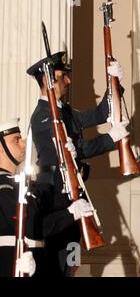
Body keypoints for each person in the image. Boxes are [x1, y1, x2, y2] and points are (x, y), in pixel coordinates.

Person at [27, 52, 130, 277]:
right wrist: (109, 139)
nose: (69, 81)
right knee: (59, 259)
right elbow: (69, 151)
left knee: (73, 258)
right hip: (57, 197)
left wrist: (115, 84)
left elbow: (100, 114)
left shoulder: (64, 110)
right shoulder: (42, 117)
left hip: (74, 192)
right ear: (47, 79)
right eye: (63, 76)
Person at [0, 118, 92, 277]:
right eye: (16, 140)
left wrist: (67, 159)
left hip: (41, 263)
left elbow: (59, 199)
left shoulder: (26, 184)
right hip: (10, 265)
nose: (23, 143)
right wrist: (70, 214)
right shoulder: (4, 187)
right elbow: (33, 227)